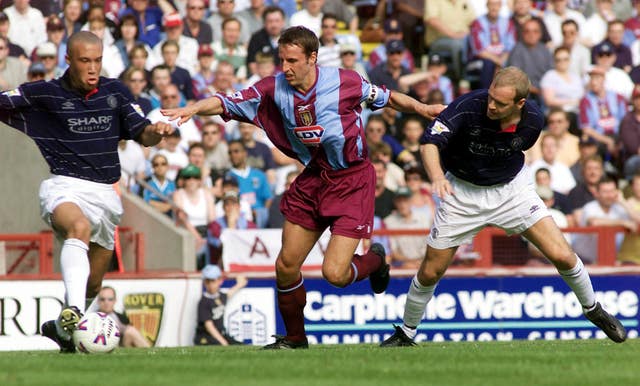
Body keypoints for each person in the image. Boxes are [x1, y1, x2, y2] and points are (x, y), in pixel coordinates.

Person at [162, 26, 444, 349]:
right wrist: (193, 109)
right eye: (282, 60)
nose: (285, 68)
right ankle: (296, 340)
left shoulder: (345, 82)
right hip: (314, 178)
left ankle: (376, 261)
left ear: (313, 57)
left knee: (335, 274)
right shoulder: (272, 89)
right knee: (285, 266)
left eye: (292, 60)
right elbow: (227, 101)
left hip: (352, 180)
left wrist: (422, 109)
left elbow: (388, 97)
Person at [380, 67, 627, 347]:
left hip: (512, 191)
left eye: (500, 103)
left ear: (520, 103)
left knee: (563, 255)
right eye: (491, 98)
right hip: (462, 192)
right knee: (430, 271)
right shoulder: (467, 106)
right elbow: (428, 144)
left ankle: (593, 309)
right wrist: (437, 177)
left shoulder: (533, 122)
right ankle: (407, 332)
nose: (492, 106)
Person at [0, 31, 174, 353]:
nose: (93, 68)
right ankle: (76, 314)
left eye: (98, 60)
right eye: (85, 61)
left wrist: (157, 132)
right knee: (77, 229)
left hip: (106, 194)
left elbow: (142, 133)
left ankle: (64, 331)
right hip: (64, 186)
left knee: (94, 283)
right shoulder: (44, 94)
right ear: (69, 60)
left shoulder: (115, 92)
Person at [194, 265, 248, 346]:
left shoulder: (221, 296)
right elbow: (209, 326)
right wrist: (223, 342)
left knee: (241, 346)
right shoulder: (204, 302)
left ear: (220, 280)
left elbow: (229, 293)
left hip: (221, 334)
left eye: (213, 281)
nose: (210, 285)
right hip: (205, 336)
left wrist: (240, 284)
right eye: (207, 282)